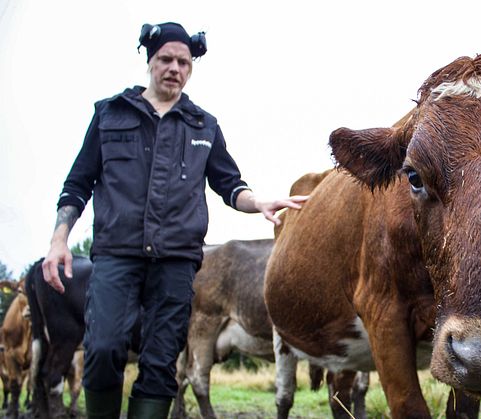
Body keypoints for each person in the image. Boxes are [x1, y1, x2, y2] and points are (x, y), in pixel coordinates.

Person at [41, 22, 307, 419]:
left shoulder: (204, 125)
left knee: (162, 361)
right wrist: (59, 240)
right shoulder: (109, 115)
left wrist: (259, 202)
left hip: (177, 263)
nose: (174, 68)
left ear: (191, 68)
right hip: (117, 255)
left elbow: (229, 185)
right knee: (103, 348)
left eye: (183, 61)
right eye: (165, 59)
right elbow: (77, 184)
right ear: (150, 61)